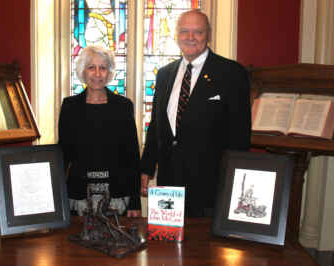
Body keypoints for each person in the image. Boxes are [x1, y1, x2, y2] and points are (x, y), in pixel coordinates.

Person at [140, 10, 251, 217]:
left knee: (205, 247)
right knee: (167, 242)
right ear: (176, 35)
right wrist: (146, 168)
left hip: (210, 183)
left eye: (197, 32)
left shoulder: (232, 73)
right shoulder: (165, 74)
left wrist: (235, 180)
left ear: (208, 34)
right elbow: (156, 124)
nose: (190, 38)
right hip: (168, 179)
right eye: (184, 32)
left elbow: (240, 134)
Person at [58, 45, 141, 218]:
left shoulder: (123, 106)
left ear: (109, 72)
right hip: (79, 196)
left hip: (117, 195)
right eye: (91, 67)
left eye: (102, 68)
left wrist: (135, 202)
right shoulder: (69, 107)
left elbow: (132, 157)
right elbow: (63, 155)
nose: (97, 74)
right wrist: (56, 199)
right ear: (83, 71)